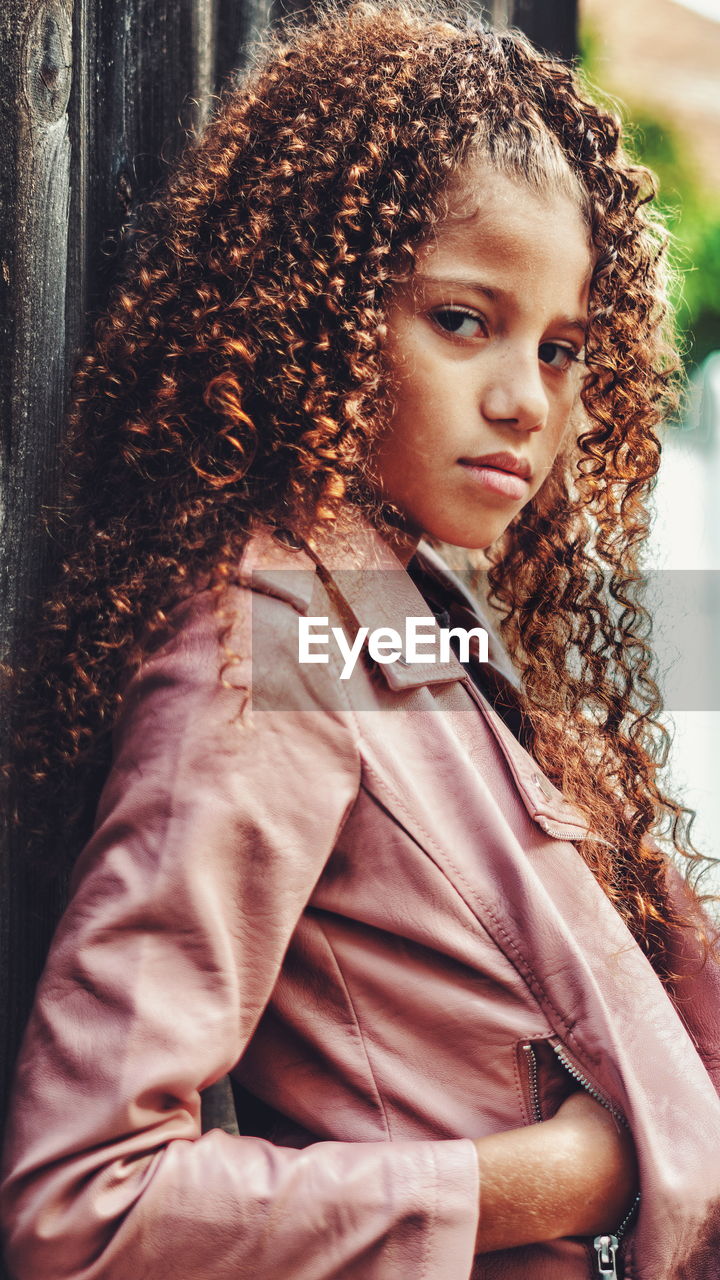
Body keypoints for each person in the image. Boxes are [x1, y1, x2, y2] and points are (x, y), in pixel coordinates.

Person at [2, 3, 720, 1277]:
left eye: (562, 350)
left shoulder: (417, 609)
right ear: (320, 308)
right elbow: (86, 1204)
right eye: (462, 320)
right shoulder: (270, 642)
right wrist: (548, 1179)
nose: (525, 401)